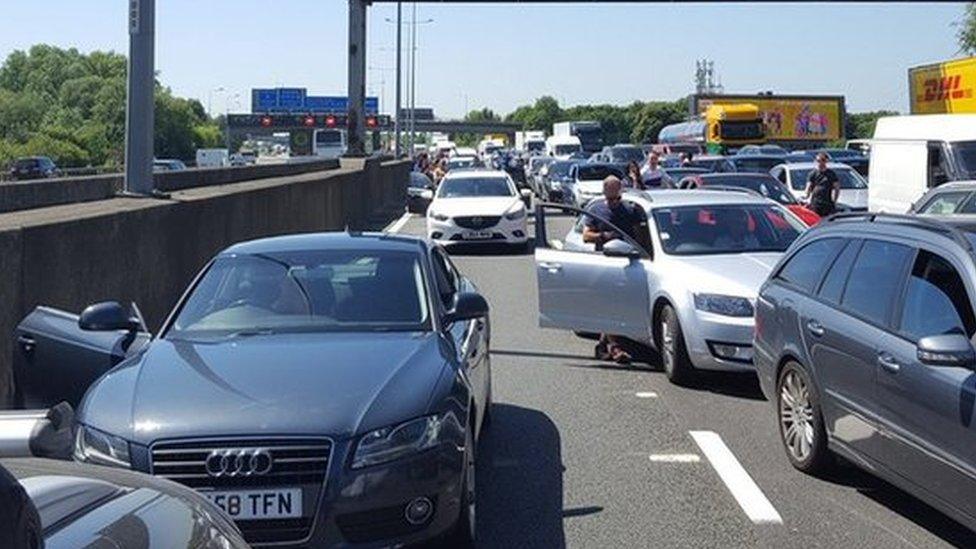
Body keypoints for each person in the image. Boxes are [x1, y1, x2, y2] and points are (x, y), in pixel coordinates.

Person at [582, 176, 650, 364]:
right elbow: (586, 236)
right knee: (608, 304)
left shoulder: (629, 210)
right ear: (604, 193)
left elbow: (640, 235)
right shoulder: (596, 209)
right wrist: (604, 236)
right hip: (606, 263)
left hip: (630, 263)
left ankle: (605, 345)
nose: (614, 203)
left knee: (618, 305)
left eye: (617, 198)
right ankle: (615, 347)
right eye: (610, 199)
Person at [804, 152, 840, 217]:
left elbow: (837, 188)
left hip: (827, 203)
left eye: (822, 160)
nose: (820, 162)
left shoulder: (831, 174)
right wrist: (807, 196)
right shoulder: (813, 173)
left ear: (826, 161)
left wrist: (834, 201)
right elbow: (808, 186)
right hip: (816, 203)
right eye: (818, 161)